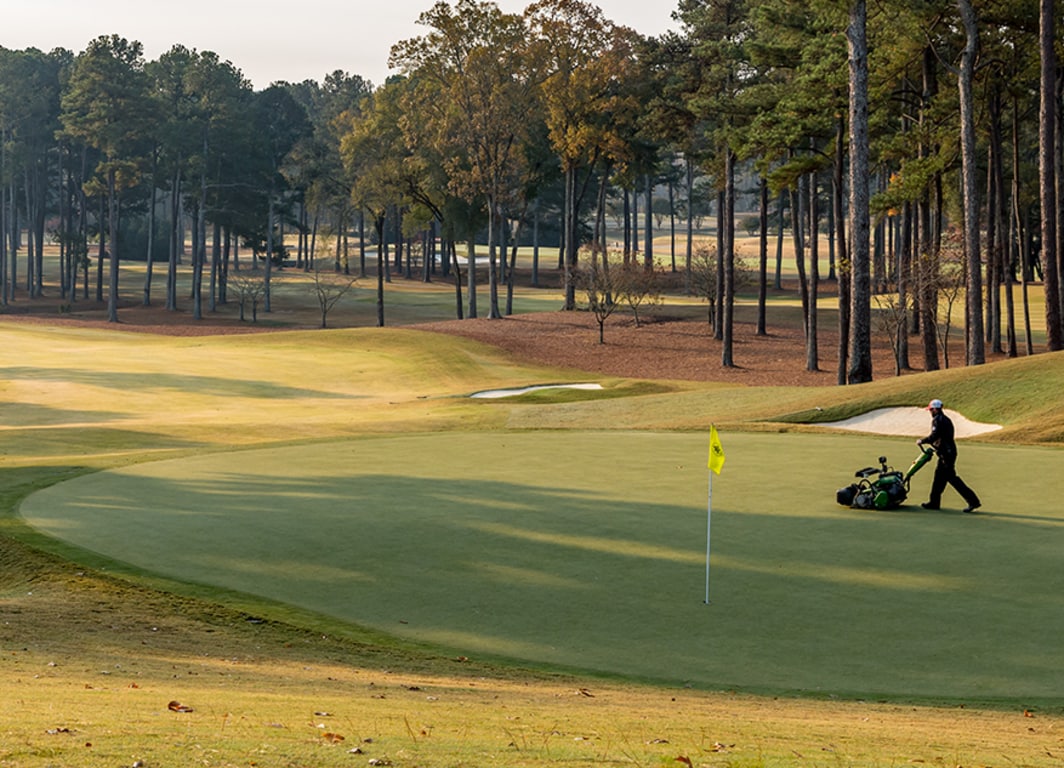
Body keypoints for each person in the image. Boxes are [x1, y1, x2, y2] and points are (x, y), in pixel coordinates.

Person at [916, 398, 981, 513]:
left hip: (946, 454)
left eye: (931, 410)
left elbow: (935, 435)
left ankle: (973, 501)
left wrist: (922, 441)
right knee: (939, 478)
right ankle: (934, 502)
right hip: (948, 452)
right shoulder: (946, 419)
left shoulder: (937, 420)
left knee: (952, 479)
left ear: (936, 409)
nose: (930, 412)